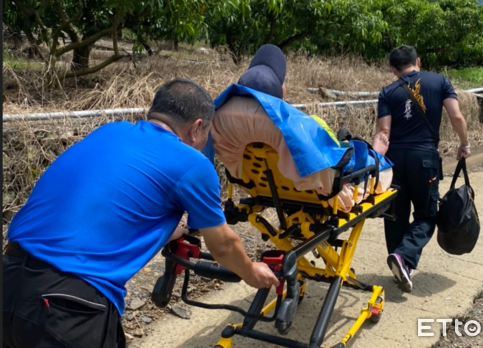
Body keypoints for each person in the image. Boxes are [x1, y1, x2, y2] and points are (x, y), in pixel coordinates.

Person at [3, 78, 280, 348]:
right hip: (67, 303)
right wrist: (252, 272)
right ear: (197, 128)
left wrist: (160, 231)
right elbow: (222, 245)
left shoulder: (109, 132)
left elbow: (105, 202)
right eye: (207, 134)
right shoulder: (192, 162)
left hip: (9, 276)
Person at [372, 45, 471, 293]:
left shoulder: (387, 91)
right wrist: (464, 144)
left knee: (395, 214)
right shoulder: (440, 81)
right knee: (427, 215)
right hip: (425, 159)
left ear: (393, 69)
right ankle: (403, 257)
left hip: (395, 161)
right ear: (418, 61)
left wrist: (375, 163)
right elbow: (456, 117)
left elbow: (383, 132)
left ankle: (399, 260)